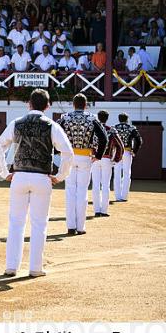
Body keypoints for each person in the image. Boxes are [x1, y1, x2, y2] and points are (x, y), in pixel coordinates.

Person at [0, 89, 73, 277]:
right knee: (39, 224)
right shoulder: (51, 125)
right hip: (42, 178)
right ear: (47, 106)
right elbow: (68, 153)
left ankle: (11, 266)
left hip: (19, 176)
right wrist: (60, 176)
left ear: (29, 104)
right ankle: (35, 268)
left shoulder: (16, 123)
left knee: (16, 223)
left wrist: (4, 172)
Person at [57, 93, 107, 235]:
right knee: (82, 192)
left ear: (73, 104)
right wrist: (98, 156)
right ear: (85, 105)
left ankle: (71, 227)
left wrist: (57, 151)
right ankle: (80, 227)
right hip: (85, 157)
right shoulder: (92, 118)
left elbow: (54, 133)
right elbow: (104, 138)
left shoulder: (65, 118)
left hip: (69, 157)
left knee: (70, 191)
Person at [91, 110, 124, 217]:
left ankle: (96, 210)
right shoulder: (111, 130)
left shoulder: (93, 129)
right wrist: (116, 159)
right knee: (105, 185)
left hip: (94, 159)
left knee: (95, 185)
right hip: (106, 159)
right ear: (107, 118)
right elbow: (120, 146)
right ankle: (104, 210)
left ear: (98, 117)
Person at [113, 113, 143, 202]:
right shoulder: (131, 128)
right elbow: (139, 140)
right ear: (127, 119)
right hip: (127, 151)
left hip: (117, 152)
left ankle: (117, 196)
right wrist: (134, 151)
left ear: (119, 119)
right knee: (126, 173)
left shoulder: (114, 128)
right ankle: (124, 196)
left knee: (117, 173)